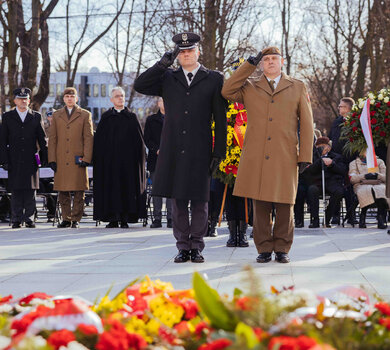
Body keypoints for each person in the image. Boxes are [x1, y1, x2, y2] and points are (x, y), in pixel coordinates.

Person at [134, 32, 227, 263]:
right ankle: (182, 246)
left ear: (198, 52)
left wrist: (219, 152)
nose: (186, 55)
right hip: (173, 148)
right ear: (178, 56)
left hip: (200, 149)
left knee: (199, 200)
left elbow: (221, 118)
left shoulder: (213, 78)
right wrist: (162, 63)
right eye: (181, 52)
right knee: (177, 202)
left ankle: (197, 245)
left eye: (190, 51)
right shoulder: (167, 77)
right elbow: (140, 84)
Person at [221, 46, 314, 264]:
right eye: (266, 59)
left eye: (274, 58)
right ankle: (263, 248)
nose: (270, 62)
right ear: (261, 64)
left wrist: (305, 156)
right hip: (257, 154)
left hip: (285, 153)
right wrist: (248, 65)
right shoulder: (250, 86)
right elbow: (227, 90)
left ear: (282, 62)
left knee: (284, 204)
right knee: (260, 204)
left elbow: (307, 124)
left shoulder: (297, 86)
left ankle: (282, 248)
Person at [93, 86, 147, 228]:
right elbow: (99, 142)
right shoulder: (106, 118)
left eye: (122, 96)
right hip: (110, 164)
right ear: (111, 99)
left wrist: (138, 161)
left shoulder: (131, 117)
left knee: (126, 189)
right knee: (111, 189)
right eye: (117, 96)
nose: (120, 98)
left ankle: (124, 218)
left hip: (127, 164)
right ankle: (112, 218)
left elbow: (139, 142)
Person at [0, 88, 47, 228]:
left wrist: (44, 159)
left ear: (29, 100)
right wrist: (4, 160)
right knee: (16, 190)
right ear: (15, 101)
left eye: (25, 98)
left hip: (30, 159)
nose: (23, 101)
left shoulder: (36, 116)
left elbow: (42, 139)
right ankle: (16, 218)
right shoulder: (7, 116)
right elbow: (2, 141)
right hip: (13, 159)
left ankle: (29, 218)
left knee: (30, 190)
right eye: (20, 99)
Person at [48, 87, 93, 228]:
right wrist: (52, 159)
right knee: (63, 190)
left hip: (78, 158)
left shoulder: (85, 115)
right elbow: (53, 138)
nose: (69, 99)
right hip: (61, 158)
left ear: (76, 98)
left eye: (72, 96)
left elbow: (89, 138)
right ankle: (66, 218)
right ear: (63, 99)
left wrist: (86, 158)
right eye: (67, 96)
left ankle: (76, 219)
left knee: (79, 190)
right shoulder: (57, 115)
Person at [304, 137, 347, 228]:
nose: (322, 148)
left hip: (332, 182)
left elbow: (342, 170)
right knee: (312, 190)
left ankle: (328, 217)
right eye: (319, 147)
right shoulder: (312, 157)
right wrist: (320, 160)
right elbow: (308, 172)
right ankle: (315, 220)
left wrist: (332, 164)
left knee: (339, 192)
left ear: (329, 147)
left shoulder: (336, 157)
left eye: (324, 146)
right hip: (317, 182)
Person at [328, 97, 357, 225]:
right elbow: (331, 137)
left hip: (350, 159)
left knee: (350, 188)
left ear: (348, 108)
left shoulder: (355, 122)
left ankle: (351, 215)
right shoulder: (336, 121)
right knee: (337, 186)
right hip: (337, 159)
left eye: (341, 106)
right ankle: (335, 215)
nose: (339, 108)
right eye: (339, 106)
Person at [144, 97, 172, 228]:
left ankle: (172, 218)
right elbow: (147, 139)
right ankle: (157, 218)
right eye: (162, 100)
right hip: (156, 159)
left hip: (172, 159)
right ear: (158, 103)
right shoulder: (151, 120)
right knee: (156, 190)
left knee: (172, 190)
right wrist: (156, 150)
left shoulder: (175, 118)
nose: (165, 102)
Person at [349, 151, 388, 229]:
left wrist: (378, 175)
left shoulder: (379, 162)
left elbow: (386, 177)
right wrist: (364, 176)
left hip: (378, 183)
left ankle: (380, 217)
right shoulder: (354, 163)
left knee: (381, 190)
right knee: (366, 191)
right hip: (361, 184)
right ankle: (363, 215)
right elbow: (353, 179)